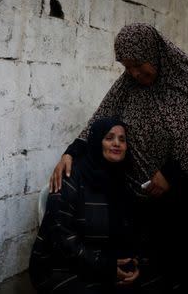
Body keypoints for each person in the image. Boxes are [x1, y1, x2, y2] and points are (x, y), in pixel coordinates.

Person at [49, 23, 188, 293]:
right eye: (127, 67)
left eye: (138, 64)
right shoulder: (127, 85)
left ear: (155, 52)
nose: (134, 73)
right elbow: (100, 119)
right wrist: (71, 151)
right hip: (149, 197)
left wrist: (172, 174)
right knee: (157, 270)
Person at [29, 117, 140, 293]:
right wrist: (106, 266)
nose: (117, 144)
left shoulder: (124, 181)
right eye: (109, 138)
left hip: (108, 263)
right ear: (96, 141)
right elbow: (60, 235)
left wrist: (132, 264)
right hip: (64, 267)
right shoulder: (71, 176)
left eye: (122, 139)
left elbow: (133, 231)